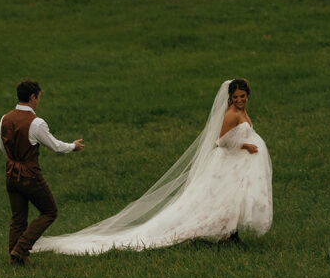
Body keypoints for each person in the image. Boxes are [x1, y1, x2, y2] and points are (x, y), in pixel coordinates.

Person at [34, 79, 271, 255]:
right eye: (237, 97)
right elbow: (221, 141)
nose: (240, 100)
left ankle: (230, 234)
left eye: (243, 96)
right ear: (230, 98)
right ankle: (225, 235)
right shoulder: (231, 114)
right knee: (219, 200)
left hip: (234, 165)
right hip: (227, 163)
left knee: (232, 199)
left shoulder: (241, 110)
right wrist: (245, 146)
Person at [0, 79, 84, 266]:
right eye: (38, 97)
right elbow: (56, 146)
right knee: (49, 211)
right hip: (30, 176)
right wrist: (73, 146)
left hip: (11, 174)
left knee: (18, 217)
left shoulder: (5, 119)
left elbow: (3, 147)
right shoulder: (36, 123)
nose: (38, 101)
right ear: (32, 97)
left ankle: (15, 258)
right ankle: (22, 248)